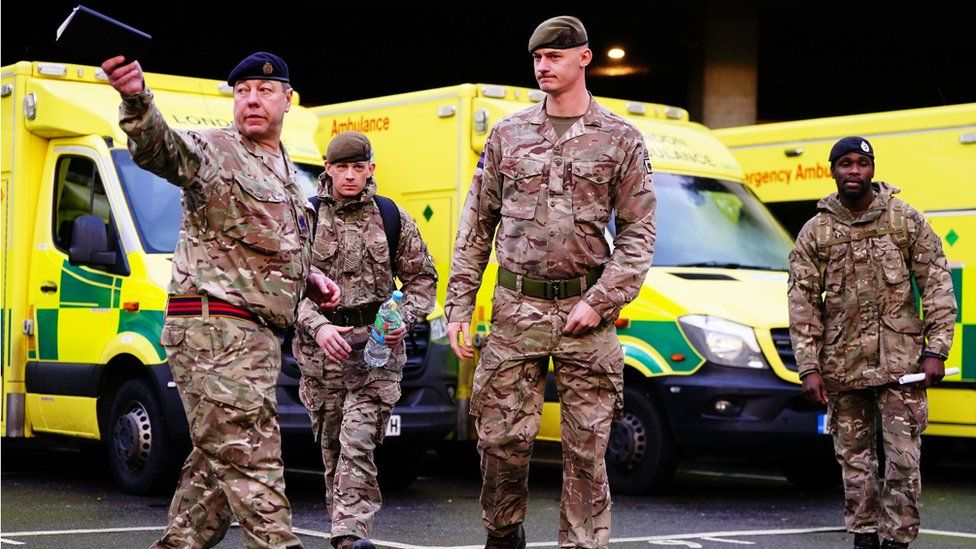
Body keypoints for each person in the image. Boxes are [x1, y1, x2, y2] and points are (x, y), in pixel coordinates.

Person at [102, 52, 341, 549]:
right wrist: (135, 97)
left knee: (213, 473)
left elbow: (270, 244)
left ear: (287, 100)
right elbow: (159, 149)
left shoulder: (286, 172)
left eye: (265, 91)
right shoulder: (215, 150)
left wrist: (307, 276)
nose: (252, 99)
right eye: (243, 91)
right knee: (252, 459)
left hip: (253, 337)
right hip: (214, 331)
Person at [444, 16, 657, 549]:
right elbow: (476, 225)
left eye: (554, 57)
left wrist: (601, 301)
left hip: (586, 313)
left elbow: (639, 234)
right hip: (517, 309)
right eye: (537, 58)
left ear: (584, 58)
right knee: (499, 441)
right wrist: (458, 307)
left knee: (587, 449)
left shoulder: (620, 139)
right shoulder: (508, 135)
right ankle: (503, 530)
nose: (543, 66)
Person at [787, 137, 956, 549]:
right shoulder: (816, 231)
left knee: (903, 460)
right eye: (845, 163)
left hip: (903, 366)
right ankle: (863, 536)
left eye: (862, 163)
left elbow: (935, 282)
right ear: (832, 171)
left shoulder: (904, 220)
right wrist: (808, 367)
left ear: (872, 169)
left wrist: (937, 350)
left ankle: (897, 541)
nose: (854, 171)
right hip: (843, 366)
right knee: (855, 462)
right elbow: (802, 301)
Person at [293, 132, 437, 549]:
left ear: (371, 169)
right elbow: (283, 288)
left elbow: (422, 280)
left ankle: (350, 535)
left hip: (377, 354)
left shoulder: (391, 217)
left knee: (357, 441)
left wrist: (404, 319)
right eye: (342, 168)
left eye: (359, 168)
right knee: (334, 451)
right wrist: (317, 327)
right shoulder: (305, 219)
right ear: (328, 170)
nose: (351, 176)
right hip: (322, 356)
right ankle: (342, 537)